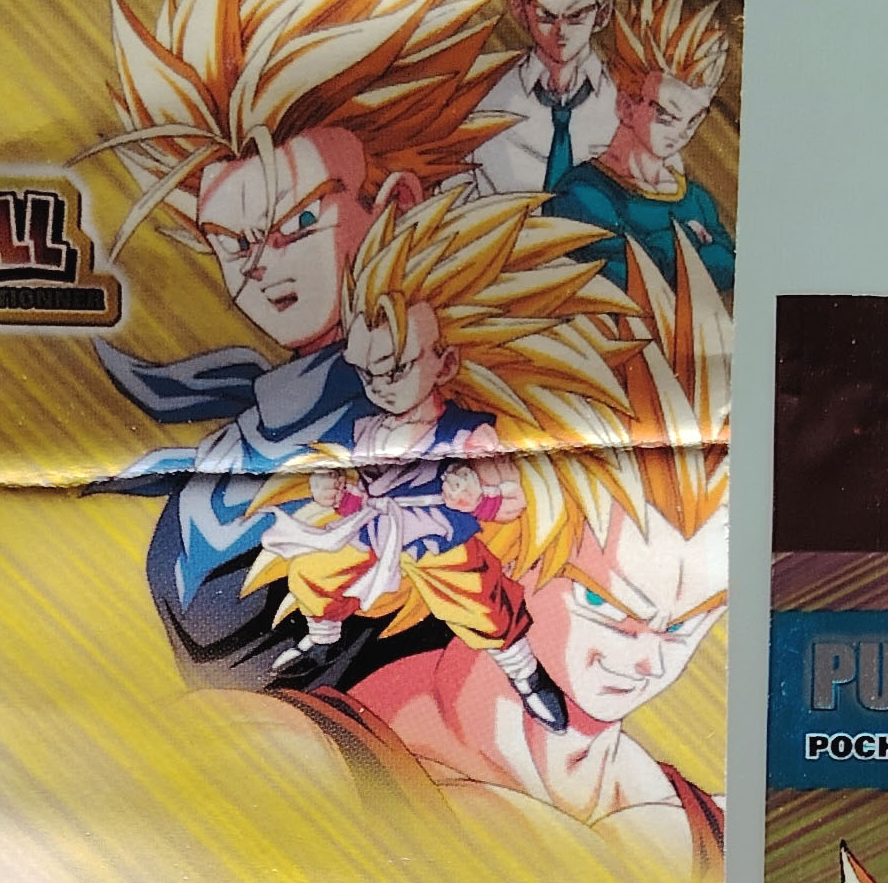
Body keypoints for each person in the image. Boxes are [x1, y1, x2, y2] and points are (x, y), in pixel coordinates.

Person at [87, 0, 504, 690]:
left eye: (298, 223)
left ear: (397, 205)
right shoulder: (254, 417)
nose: (257, 266)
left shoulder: (429, 406)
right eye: (231, 241)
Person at [341, 246, 730, 873]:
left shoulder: (705, 826)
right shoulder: (334, 759)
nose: (646, 662)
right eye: (604, 603)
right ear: (516, 547)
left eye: (683, 626)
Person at [244, 184, 638, 731]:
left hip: (441, 544)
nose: (381, 386)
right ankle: (321, 640)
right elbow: (366, 491)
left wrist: (478, 497)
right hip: (372, 534)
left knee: (485, 610)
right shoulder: (369, 429)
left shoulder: (469, 435)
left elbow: (512, 499)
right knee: (313, 574)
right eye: (369, 374)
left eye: (396, 369)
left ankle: (526, 677)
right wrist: (338, 494)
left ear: (445, 363)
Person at [545, 0, 734, 297]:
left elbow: (728, 267)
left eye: (694, 120)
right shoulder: (581, 193)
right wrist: (691, 246)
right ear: (626, 107)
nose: (683, 133)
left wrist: (661, 250)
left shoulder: (696, 200)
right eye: (668, 116)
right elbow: (630, 282)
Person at [466, 0, 627, 198]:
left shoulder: (628, 104)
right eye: (546, 15)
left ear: (602, 14)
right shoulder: (487, 97)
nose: (560, 31)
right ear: (520, 9)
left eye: (576, 15)